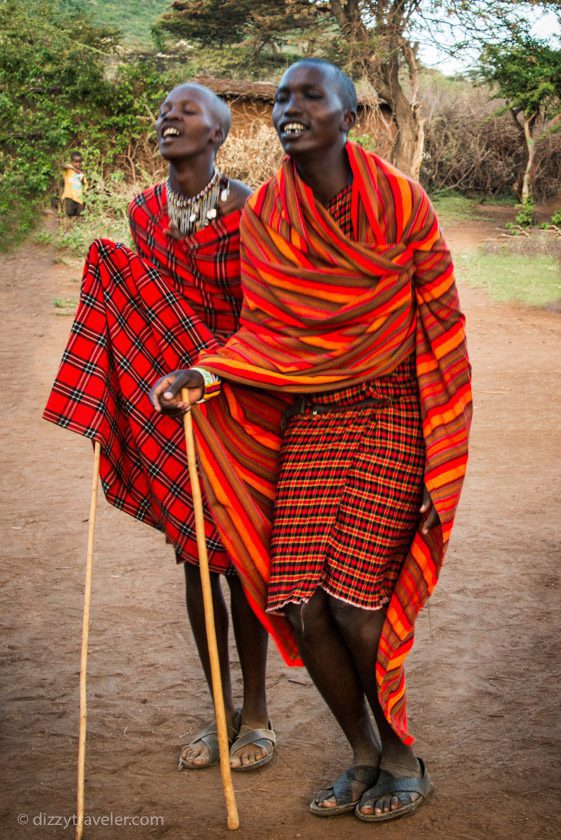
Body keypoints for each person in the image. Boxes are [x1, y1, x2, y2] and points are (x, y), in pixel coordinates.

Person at [151, 59, 472, 822]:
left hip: (393, 413)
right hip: (313, 421)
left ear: (347, 116)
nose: (290, 109)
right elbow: (268, 334)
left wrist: (443, 455)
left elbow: (443, 330)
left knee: (357, 607)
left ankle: (401, 755)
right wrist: (202, 370)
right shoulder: (267, 214)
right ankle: (360, 752)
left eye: (310, 96)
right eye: (284, 99)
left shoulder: (402, 205)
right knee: (296, 602)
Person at [44, 83, 279, 772]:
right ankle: (217, 708)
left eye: (187, 113)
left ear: (218, 135)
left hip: (238, 402)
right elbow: (145, 299)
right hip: (169, 403)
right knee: (193, 554)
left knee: (237, 562)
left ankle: (258, 715)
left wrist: (210, 372)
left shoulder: (252, 210)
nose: (167, 120)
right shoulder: (143, 210)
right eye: (163, 113)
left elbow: (263, 320)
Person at [61, 151, 88, 217]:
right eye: (75, 162)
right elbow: (62, 165)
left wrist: (84, 193)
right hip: (69, 196)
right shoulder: (68, 171)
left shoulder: (81, 174)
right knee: (69, 212)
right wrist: (73, 168)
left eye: (79, 162)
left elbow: (85, 185)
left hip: (79, 199)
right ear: (72, 162)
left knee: (80, 215)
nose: (78, 164)